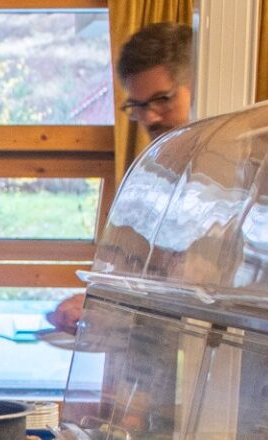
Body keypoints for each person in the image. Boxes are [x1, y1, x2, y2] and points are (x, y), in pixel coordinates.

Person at [47, 22, 194, 335]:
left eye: (162, 99)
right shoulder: (146, 183)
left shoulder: (234, 178)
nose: (150, 117)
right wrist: (94, 307)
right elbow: (132, 285)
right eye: (138, 106)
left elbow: (197, 301)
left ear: (198, 83)